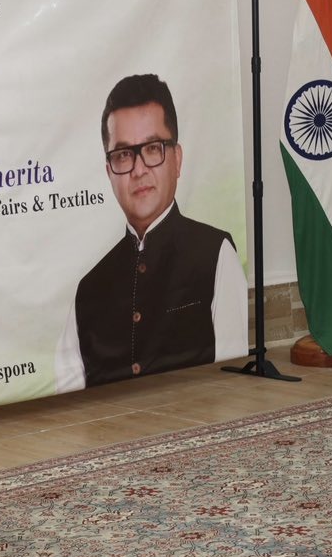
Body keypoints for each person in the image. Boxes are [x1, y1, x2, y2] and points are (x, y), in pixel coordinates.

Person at [55, 74, 248, 391]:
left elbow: (232, 378)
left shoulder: (216, 255)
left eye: (153, 148)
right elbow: (68, 398)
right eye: (123, 155)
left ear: (177, 159)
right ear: (109, 172)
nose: (139, 169)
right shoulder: (88, 291)